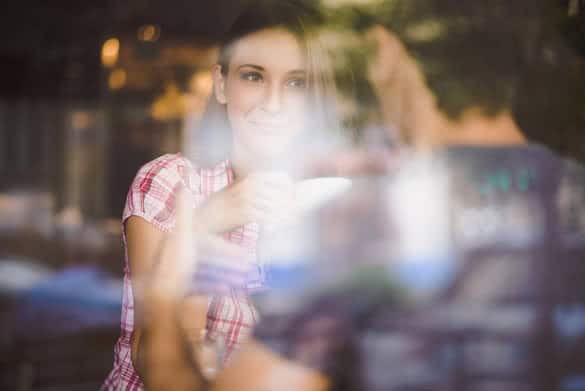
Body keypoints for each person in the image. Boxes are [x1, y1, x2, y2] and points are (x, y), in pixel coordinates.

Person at [134, 0, 585, 390]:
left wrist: (171, 269)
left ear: (389, 54)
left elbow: (176, 381)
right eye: (254, 77)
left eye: (297, 82)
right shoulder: (572, 196)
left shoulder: (371, 223)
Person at [101, 1, 341, 389]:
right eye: (253, 77)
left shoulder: (327, 208)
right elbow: (156, 367)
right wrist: (204, 225)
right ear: (221, 84)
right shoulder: (171, 182)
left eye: (296, 83)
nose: (274, 104)